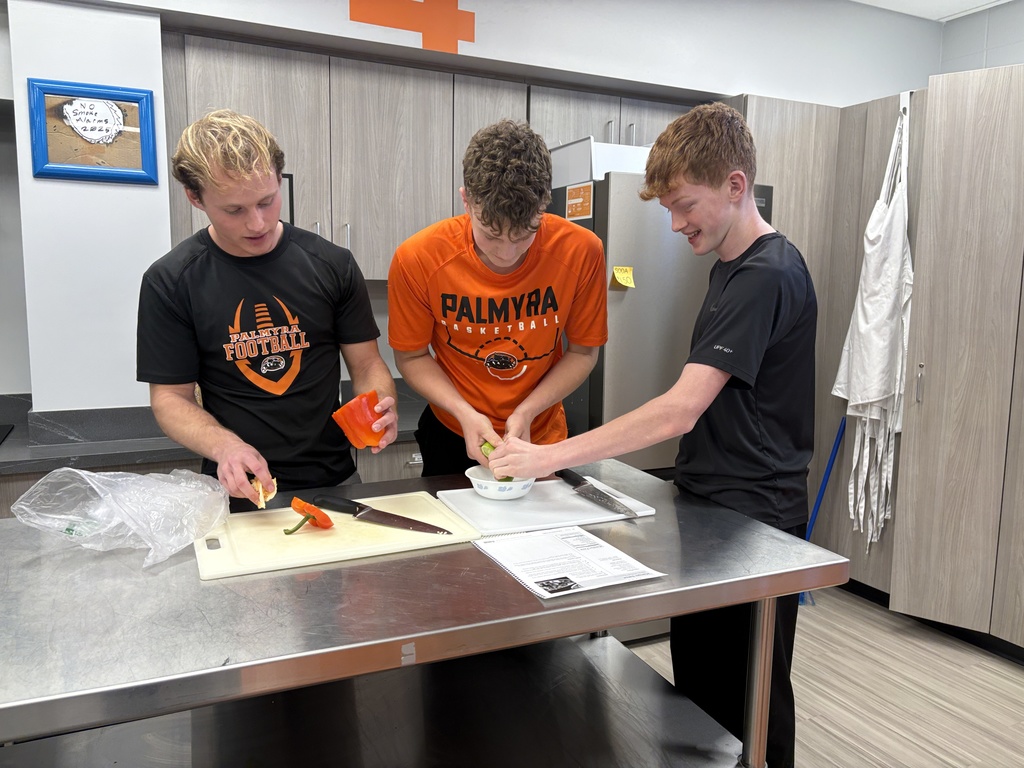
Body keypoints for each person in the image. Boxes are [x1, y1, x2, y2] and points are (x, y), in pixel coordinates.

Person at [487, 102, 817, 768]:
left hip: (754, 516)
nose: (675, 224)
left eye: (684, 205)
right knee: (701, 692)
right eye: (666, 208)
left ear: (735, 184)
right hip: (714, 506)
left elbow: (677, 412)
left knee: (748, 701)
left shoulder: (766, 274)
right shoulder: (730, 264)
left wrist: (547, 456)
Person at [136, 109, 397, 510]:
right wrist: (225, 445)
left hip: (336, 478)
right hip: (240, 486)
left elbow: (366, 366)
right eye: (234, 210)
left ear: (279, 179)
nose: (257, 223)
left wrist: (380, 406)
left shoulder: (332, 264)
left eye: (267, 201)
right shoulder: (171, 281)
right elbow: (171, 398)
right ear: (195, 197)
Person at [387, 119, 608, 476]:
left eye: (526, 234)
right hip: (452, 432)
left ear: (544, 207)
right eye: (491, 234)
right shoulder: (418, 258)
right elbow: (411, 356)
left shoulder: (582, 251)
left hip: (541, 437)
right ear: (466, 200)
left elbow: (583, 351)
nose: (508, 254)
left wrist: (527, 410)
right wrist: (464, 412)